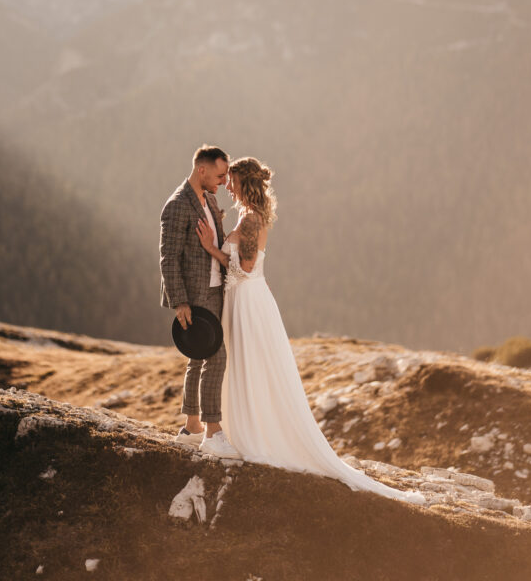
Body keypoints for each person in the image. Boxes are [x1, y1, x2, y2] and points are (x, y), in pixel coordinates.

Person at [197, 156, 425, 503]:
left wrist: (210, 248)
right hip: (246, 297)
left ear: (245, 184)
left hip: (245, 299)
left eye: (233, 180)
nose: (227, 184)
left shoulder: (252, 219)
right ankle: (242, 429)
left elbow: (243, 267)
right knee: (246, 365)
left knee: (249, 364)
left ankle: (255, 435)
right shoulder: (252, 216)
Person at [159, 144, 239, 458]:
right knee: (216, 358)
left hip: (216, 289)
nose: (222, 181)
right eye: (219, 175)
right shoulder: (177, 205)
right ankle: (213, 432)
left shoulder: (209, 200)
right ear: (201, 169)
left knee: (199, 357)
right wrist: (180, 302)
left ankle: (191, 428)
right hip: (195, 294)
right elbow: (168, 258)